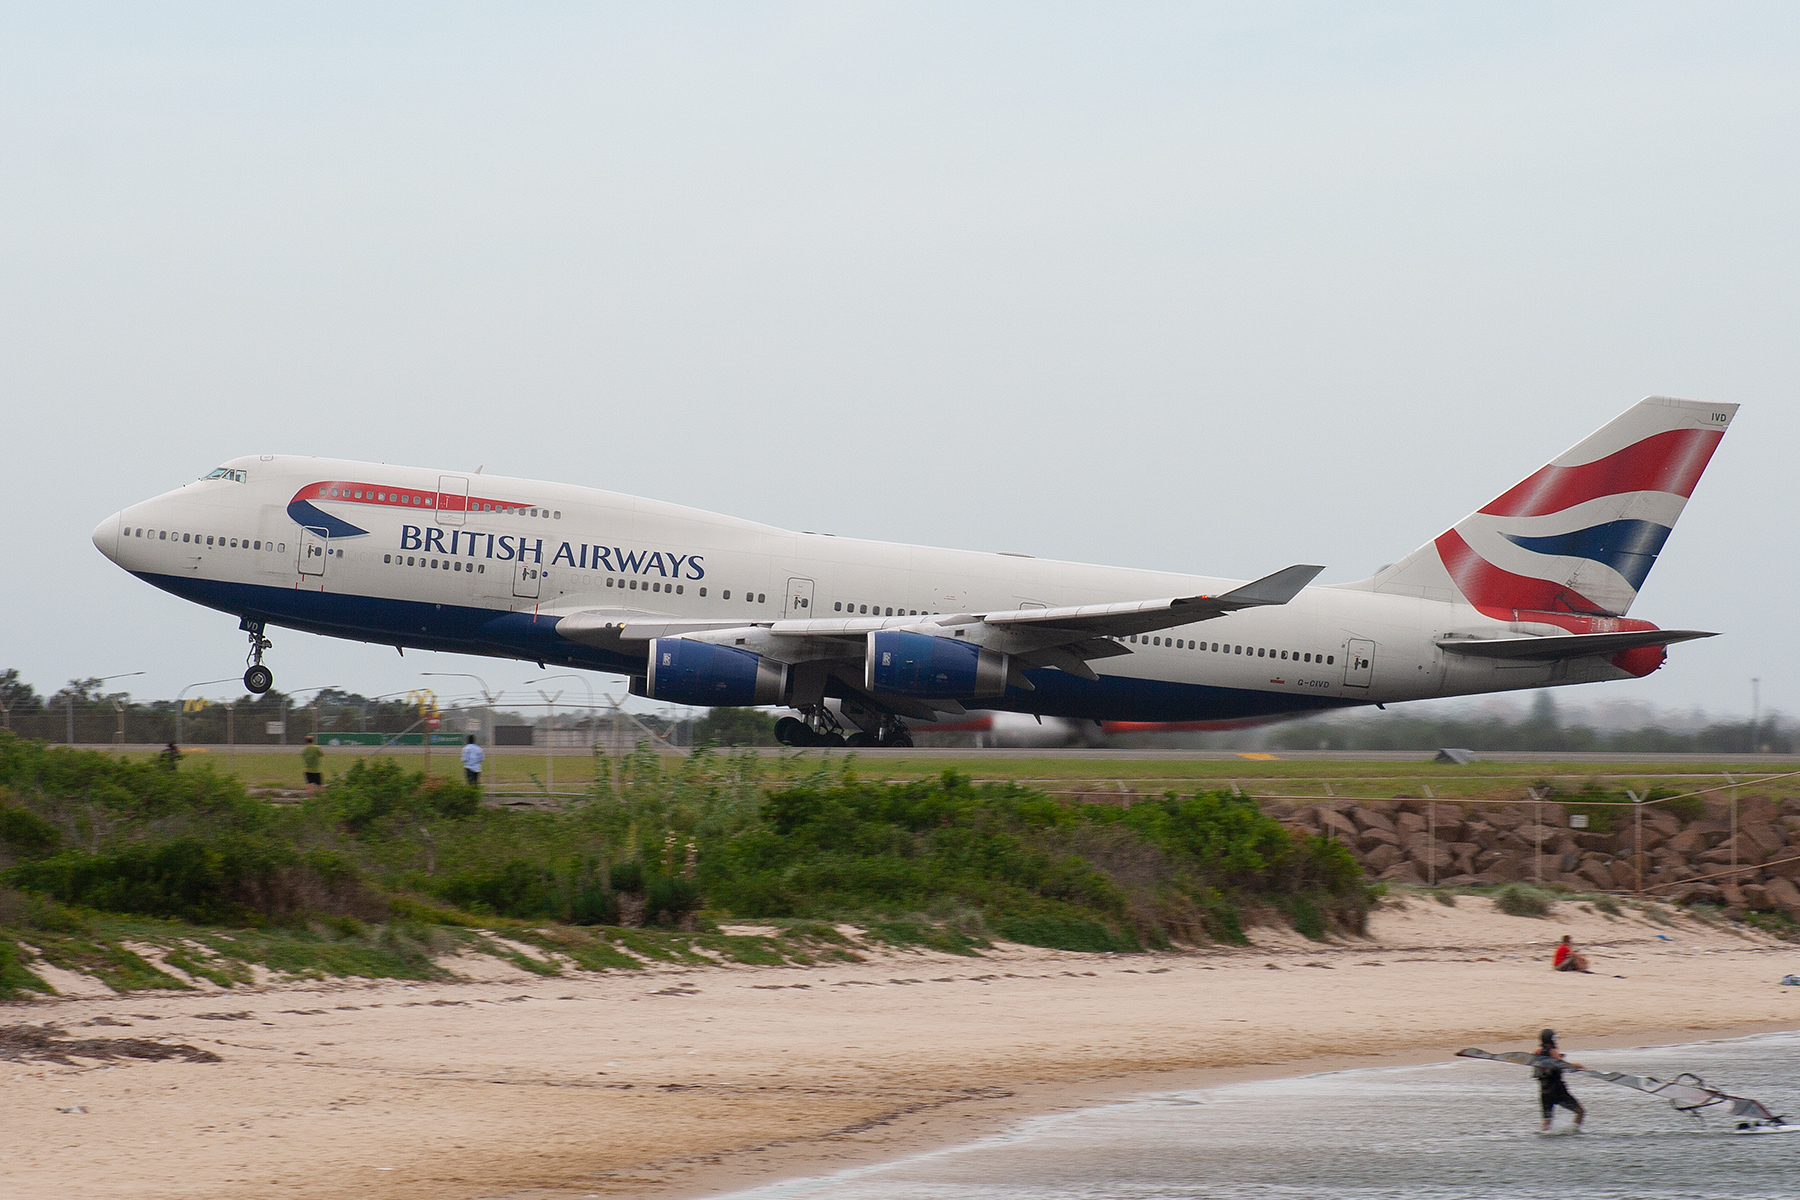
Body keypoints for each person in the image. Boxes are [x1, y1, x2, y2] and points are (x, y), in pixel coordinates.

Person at [1535, 1028, 1585, 1132]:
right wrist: (1578, 1066)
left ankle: (1543, 1138)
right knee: (1580, 1112)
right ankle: (1574, 1132)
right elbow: (1562, 1064)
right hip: (1558, 1090)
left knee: (1546, 1122)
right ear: (1551, 1039)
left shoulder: (1537, 1053)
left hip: (1544, 1092)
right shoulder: (1553, 1051)